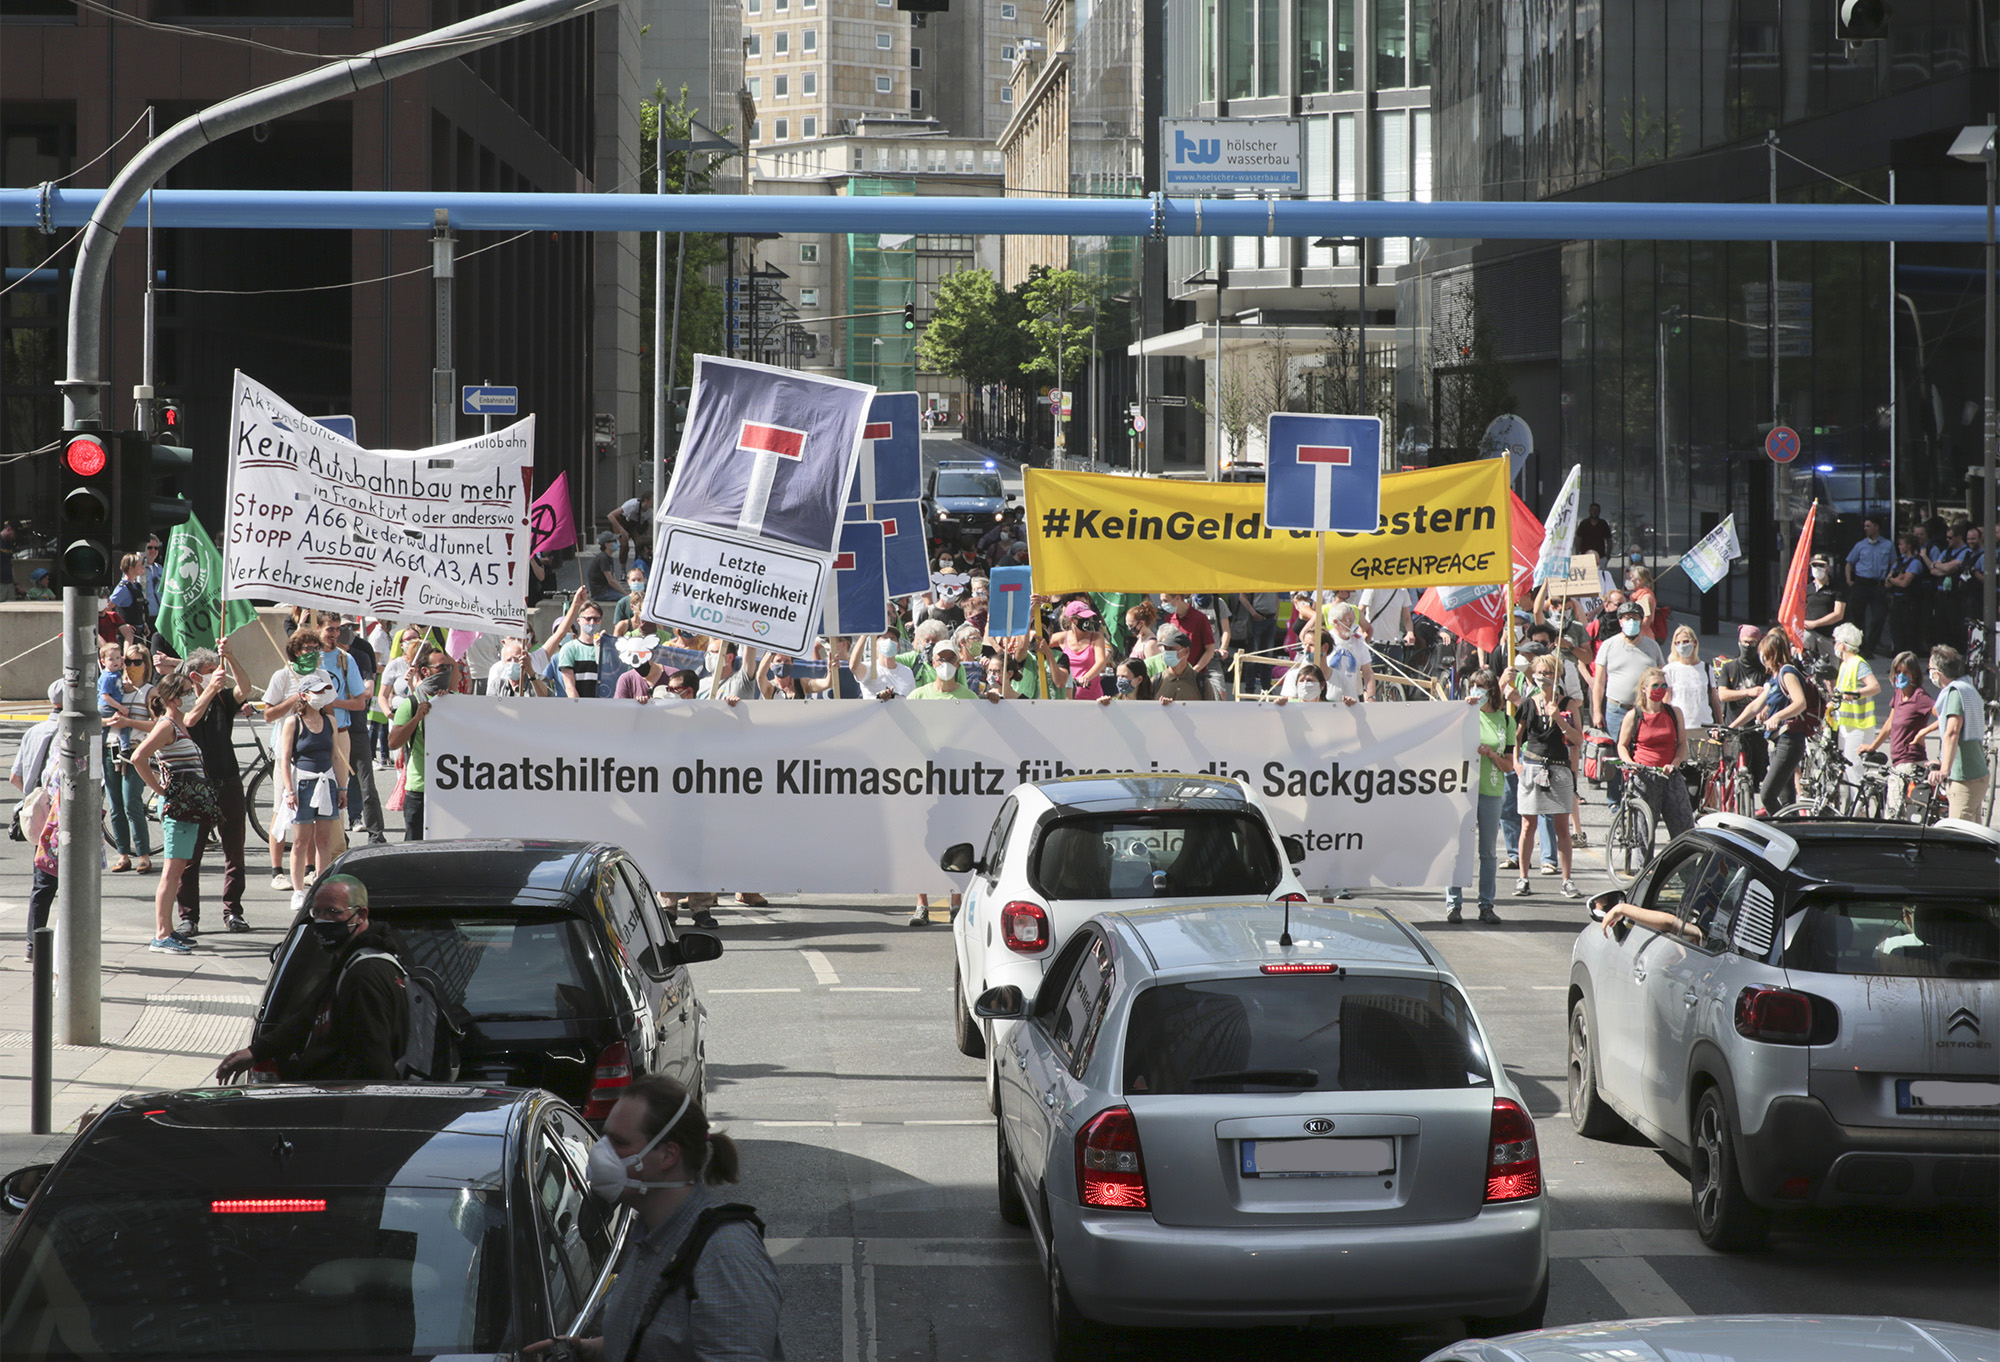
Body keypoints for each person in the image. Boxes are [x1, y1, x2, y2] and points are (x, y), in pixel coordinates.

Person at [527, 1075, 782, 1362]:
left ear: (668, 1155)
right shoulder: (647, 1235)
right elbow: (649, 1345)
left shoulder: (726, 1255)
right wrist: (591, 1350)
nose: (600, 1151)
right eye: (605, 1137)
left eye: (619, 1143)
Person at [216, 875, 411, 1083]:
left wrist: (355, 1108)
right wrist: (256, 1052)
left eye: (332, 912)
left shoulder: (365, 975)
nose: (322, 920)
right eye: (317, 912)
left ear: (361, 915)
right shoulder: (345, 965)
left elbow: (373, 1062)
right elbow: (308, 1019)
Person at [129, 672, 222, 954]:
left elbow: (198, 708)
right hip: (178, 808)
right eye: (186, 690)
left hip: (188, 808)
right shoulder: (167, 725)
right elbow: (138, 757)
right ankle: (161, 934)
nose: (192, 694)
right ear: (173, 698)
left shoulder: (179, 722)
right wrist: (158, 788)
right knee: (171, 872)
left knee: (178, 869)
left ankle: (168, 929)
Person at [177, 642, 254, 933]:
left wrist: (231, 657)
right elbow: (189, 720)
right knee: (190, 857)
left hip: (228, 781)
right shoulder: (183, 699)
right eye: (210, 672)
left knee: (234, 852)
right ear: (196, 676)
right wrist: (208, 690)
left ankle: (233, 910)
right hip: (196, 786)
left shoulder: (223, 699)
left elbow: (244, 687)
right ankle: (188, 917)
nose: (216, 677)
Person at [277, 671, 352, 915]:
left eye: (323, 692)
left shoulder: (330, 721)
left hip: (327, 783)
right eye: (316, 692)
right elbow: (285, 759)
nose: (321, 696)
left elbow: (334, 757)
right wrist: (289, 791)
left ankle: (320, 886)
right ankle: (299, 890)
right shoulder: (293, 722)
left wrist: (341, 787)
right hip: (303, 784)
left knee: (324, 841)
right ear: (305, 695)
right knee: (300, 841)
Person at [1516, 653, 1584, 900]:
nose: (1544, 677)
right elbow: (1518, 736)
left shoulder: (1569, 705)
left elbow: (1578, 740)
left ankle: (1567, 880)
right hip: (1533, 765)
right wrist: (1516, 762)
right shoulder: (1528, 702)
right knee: (1528, 824)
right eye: (1540, 673)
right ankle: (1523, 877)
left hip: (1559, 767)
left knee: (1561, 826)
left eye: (1548, 673)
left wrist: (1558, 718)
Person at [1446, 669, 1511, 925]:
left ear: (1492, 690)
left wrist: (1492, 755)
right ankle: (1454, 904)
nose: (1476, 691)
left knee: (1488, 852)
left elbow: (1508, 765)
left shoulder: (1505, 721)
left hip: (1490, 791)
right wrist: (1462, 711)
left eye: (1481, 686)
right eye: (1472, 685)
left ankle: (1486, 905)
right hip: (1463, 790)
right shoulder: (1463, 713)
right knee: (1458, 849)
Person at [1730, 629, 1813, 816]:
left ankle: (1785, 833)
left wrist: (1777, 716)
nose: (1761, 658)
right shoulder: (1775, 677)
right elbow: (1754, 707)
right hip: (1778, 741)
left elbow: (1800, 703)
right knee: (1786, 798)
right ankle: (1795, 832)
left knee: (1767, 794)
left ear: (1771, 653)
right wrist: (1731, 727)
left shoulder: (1787, 672)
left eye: (1763, 654)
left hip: (1790, 740)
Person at [318, 615, 385, 845]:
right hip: (317, 732)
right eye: (333, 629)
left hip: (350, 730)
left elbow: (362, 699)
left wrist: (333, 702)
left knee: (365, 785)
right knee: (327, 789)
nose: (338, 634)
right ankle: (338, 842)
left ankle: (376, 838)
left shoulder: (353, 656)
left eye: (342, 629)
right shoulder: (310, 658)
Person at [1591, 600, 1664, 808]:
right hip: (1617, 709)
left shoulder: (1651, 645)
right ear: (1620, 621)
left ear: (1641, 621)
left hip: (1644, 710)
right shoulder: (1609, 645)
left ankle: (1641, 797)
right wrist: (1597, 711)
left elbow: (1662, 676)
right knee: (1617, 752)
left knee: (1640, 751)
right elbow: (1599, 683)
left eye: (1635, 618)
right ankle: (1616, 799)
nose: (1631, 621)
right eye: (1627, 618)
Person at [1618, 664, 1695, 847]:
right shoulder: (1634, 715)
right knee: (1644, 830)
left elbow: (1682, 744)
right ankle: (1643, 870)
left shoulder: (1673, 712)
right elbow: (1622, 745)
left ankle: (1686, 870)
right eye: (1655, 686)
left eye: (1663, 686)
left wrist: (1675, 764)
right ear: (1644, 689)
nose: (1659, 690)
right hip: (1644, 774)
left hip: (1669, 773)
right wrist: (1630, 764)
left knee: (1683, 824)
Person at [98, 640, 156, 874]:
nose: (130, 666)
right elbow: (98, 713)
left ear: (146, 664)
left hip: (135, 751)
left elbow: (157, 724)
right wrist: (109, 721)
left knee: (132, 801)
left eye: (136, 661)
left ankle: (143, 854)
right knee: (115, 805)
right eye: (127, 660)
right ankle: (123, 854)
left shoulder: (149, 691)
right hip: (111, 749)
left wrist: (129, 722)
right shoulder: (115, 686)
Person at [1861, 651, 1936, 820]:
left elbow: (1947, 716)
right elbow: (1889, 723)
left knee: (1892, 815)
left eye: (1906, 672)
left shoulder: (1920, 697)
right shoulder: (1898, 694)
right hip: (1897, 762)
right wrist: (1873, 746)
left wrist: (1924, 732)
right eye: (1897, 672)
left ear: (1914, 675)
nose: (1900, 676)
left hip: (1910, 763)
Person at [389, 647, 452, 841]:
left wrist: (448, 703)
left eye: (448, 667)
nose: (446, 672)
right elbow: (393, 742)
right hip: (420, 790)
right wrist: (417, 718)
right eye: (441, 668)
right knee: (414, 849)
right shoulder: (411, 704)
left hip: (450, 788)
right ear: (425, 671)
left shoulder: (455, 702)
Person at [1927, 645, 1988, 822]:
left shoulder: (1955, 693)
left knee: (1959, 834)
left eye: (1929, 669)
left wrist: (1944, 770)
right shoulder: (1967, 687)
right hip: (1977, 772)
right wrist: (1941, 760)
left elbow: (1953, 732)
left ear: (1937, 673)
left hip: (1964, 779)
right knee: (1975, 836)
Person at [1714, 624, 1771, 793]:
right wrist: (1748, 692)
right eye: (1745, 642)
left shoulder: (1764, 669)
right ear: (1739, 642)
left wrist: (1765, 707)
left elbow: (1771, 692)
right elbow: (1722, 695)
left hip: (1756, 730)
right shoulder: (1729, 667)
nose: (1748, 646)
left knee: (1757, 774)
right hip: (1735, 728)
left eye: (1752, 643)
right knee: (1734, 771)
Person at [1829, 622, 1883, 789]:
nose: (1834, 645)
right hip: (1846, 725)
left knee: (1854, 769)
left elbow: (1875, 687)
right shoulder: (1844, 665)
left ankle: (1859, 809)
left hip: (1858, 727)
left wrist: (1856, 694)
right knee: (1847, 768)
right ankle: (1854, 806)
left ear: (1843, 645)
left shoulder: (1858, 664)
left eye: (1836, 641)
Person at [1844, 516, 1895, 656]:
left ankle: (1870, 648)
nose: (1865, 529)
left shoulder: (1888, 545)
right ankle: (1860, 647)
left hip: (1878, 585)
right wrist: (1849, 580)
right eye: (1865, 526)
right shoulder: (1860, 545)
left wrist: (1889, 579)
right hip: (1861, 583)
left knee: (1879, 617)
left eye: (1868, 526)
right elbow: (1849, 562)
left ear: (1876, 527)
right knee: (1858, 617)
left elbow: (1893, 564)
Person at [1051, 600, 1111, 699]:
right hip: (1069, 698)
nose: (1087, 620)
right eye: (1083, 617)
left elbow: (1101, 662)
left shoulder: (1096, 637)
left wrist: (1086, 677)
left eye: (1089, 617)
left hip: (1092, 697)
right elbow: (1041, 648)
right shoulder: (1060, 638)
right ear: (1072, 619)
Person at [1661, 623, 1716, 730]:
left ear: (1694, 643)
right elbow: (1666, 701)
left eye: (1686, 641)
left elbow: (1714, 699)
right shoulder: (1669, 670)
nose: (1682, 645)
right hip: (1680, 726)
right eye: (1677, 643)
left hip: (1705, 725)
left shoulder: (1706, 668)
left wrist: (1720, 726)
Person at [1320, 603, 1376, 703]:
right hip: (1330, 697)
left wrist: (1371, 697)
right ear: (1336, 622)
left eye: (1354, 620)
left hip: (1353, 697)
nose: (1353, 625)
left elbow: (1368, 672)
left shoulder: (1359, 640)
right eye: (1349, 621)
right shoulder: (1326, 639)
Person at [1800, 554, 1845, 661]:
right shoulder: (1806, 588)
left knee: (1831, 671)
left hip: (1827, 636)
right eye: (1814, 565)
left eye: (1821, 565)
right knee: (1803, 650)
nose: (1817, 568)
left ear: (1827, 569)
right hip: (1808, 632)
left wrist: (1815, 623)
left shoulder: (1837, 589)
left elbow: (1838, 614)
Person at [560, 603, 610, 697]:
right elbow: (570, 687)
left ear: (601, 621)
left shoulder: (608, 649)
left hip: (604, 706)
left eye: (596, 619)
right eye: (588, 618)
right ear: (579, 621)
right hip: (581, 706)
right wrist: (579, 708)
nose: (592, 623)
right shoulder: (569, 649)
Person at [1151, 625, 1209, 702]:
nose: (1168, 652)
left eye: (1172, 649)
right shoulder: (1156, 680)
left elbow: (1211, 711)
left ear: (1186, 651)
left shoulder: (1201, 682)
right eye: (1166, 649)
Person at [109, 551, 150, 641]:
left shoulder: (136, 586)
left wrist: (144, 624)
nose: (142, 567)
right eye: (140, 565)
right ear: (131, 568)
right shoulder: (122, 588)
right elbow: (108, 608)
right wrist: (122, 624)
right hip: (127, 636)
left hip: (139, 632)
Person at [1625, 563, 1669, 644]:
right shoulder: (1636, 596)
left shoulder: (1645, 597)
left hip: (1642, 637)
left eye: (1632, 578)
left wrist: (1635, 634)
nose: (1629, 580)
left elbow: (1646, 620)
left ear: (1641, 580)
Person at [607, 495, 651, 566]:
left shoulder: (651, 511)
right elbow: (610, 515)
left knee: (639, 544)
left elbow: (649, 526)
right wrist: (621, 530)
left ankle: (637, 566)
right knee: (624, 545)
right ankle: (623, 568)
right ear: (646, 500)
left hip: (634, 524)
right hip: (622, 522)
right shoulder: (633, 504)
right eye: (652, 500)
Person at [612, 565, 652, 634]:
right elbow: (617, 627)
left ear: (645, 580)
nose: (636, 582)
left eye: (639, 579)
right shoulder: (622, 603)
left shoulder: (650, 601)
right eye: (633, 580)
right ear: (628, 582)